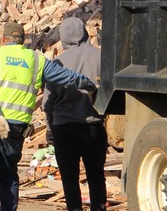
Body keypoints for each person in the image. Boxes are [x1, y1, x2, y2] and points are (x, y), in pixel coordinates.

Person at [0, 21, 96, 211]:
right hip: (17, 126)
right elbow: (65, 76)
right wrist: (89, 84)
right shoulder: (36, 60)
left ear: (3, 39)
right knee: (9, 174)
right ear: (23, 41)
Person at [44, 16, 106, 211]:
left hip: (64, 128)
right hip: (93, 127)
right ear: (85, 33)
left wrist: (49, 129)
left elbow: (48, 102)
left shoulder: (57, 63)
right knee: (96, 175)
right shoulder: (101, 57)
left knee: (70, 179)